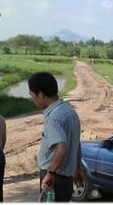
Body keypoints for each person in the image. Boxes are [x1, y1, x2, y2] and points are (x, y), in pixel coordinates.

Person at [28, 72, 84, 202]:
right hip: (67, 180)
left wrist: (50, 173)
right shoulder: (70, 111)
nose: (33, 99)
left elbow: (62, 148)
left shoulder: (53, 117)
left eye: (32, 95)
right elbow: (76, 143)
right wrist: (78, 168)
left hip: (54, 180)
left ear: (41, 94)